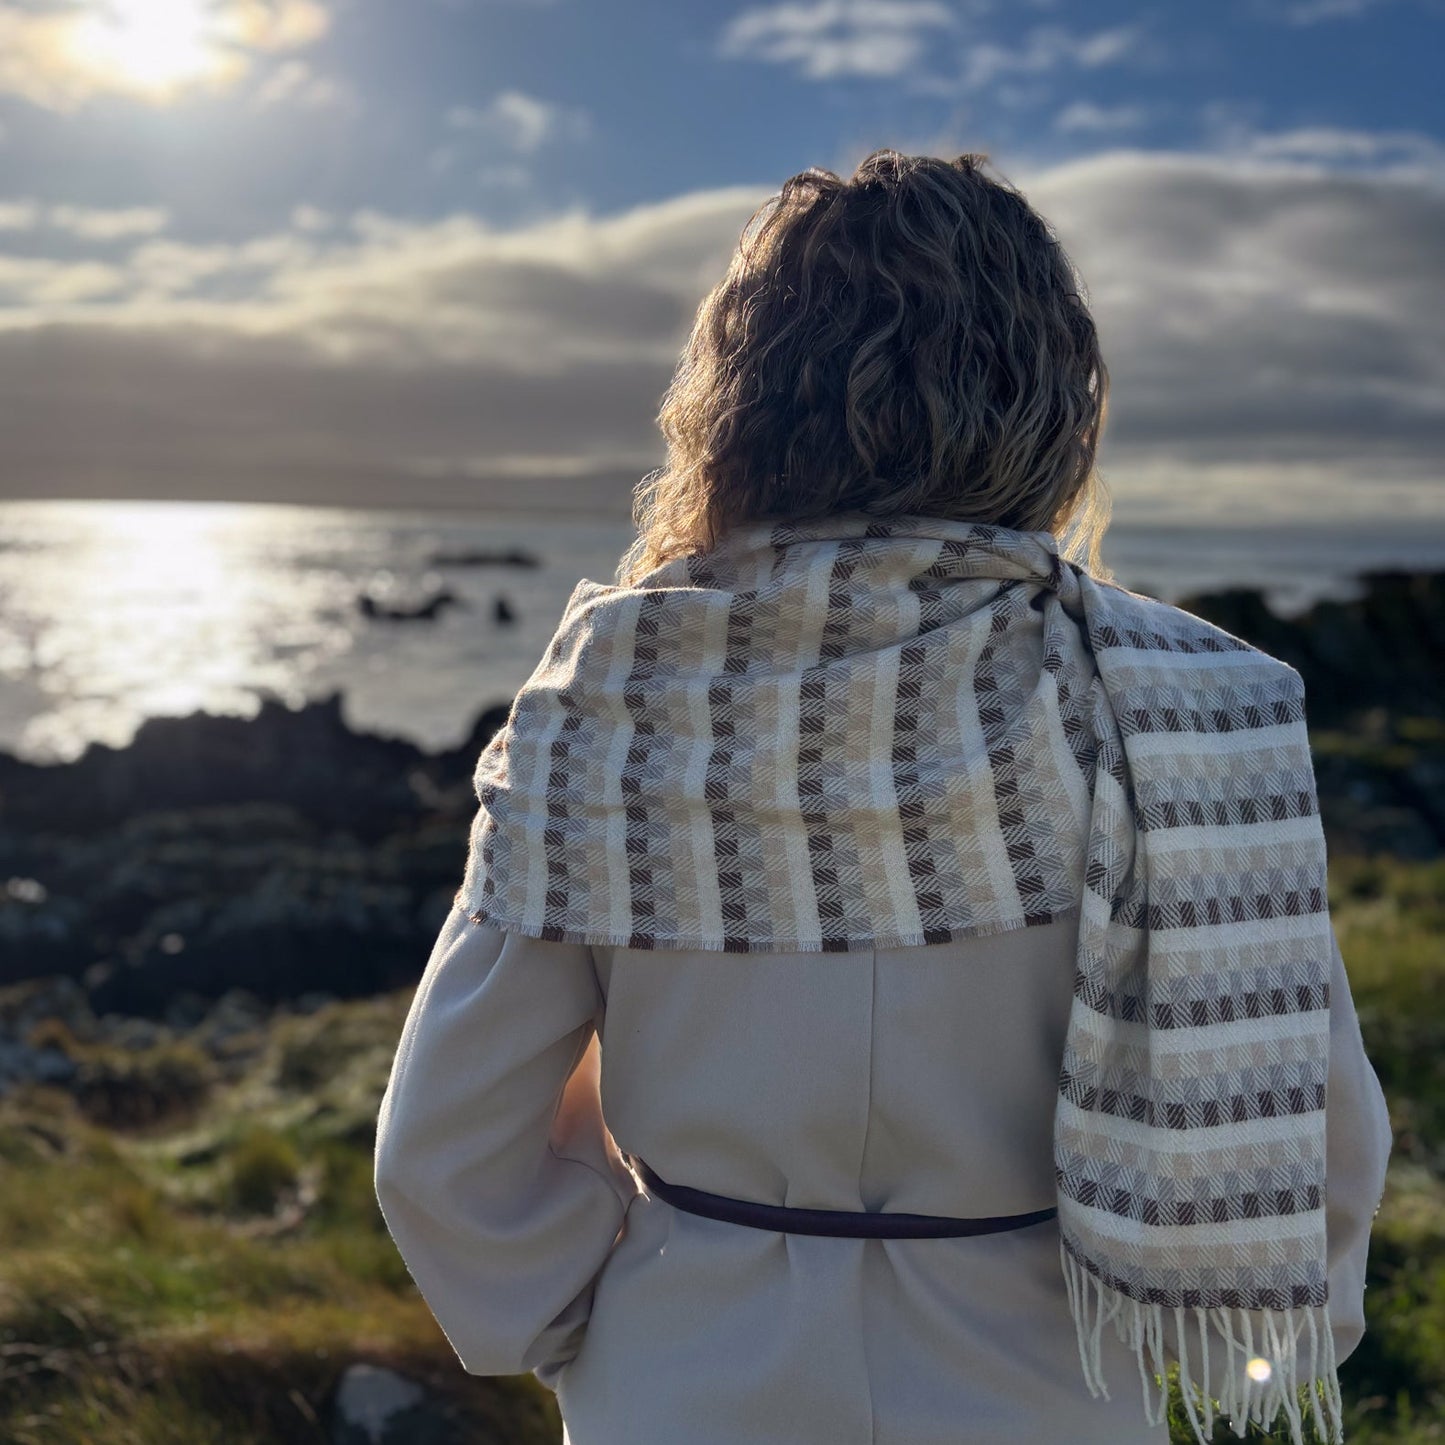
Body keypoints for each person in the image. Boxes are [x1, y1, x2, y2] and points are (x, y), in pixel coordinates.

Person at [373, 149, 1393, 1445]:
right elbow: (1313, 1133)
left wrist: (583, 1315)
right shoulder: (1188, 699)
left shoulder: (614, 689)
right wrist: (1228, 1339)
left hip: (683, 1374)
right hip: (1053, 1385)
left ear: (743, 397)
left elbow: (448, 1147)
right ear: (1048, 394)